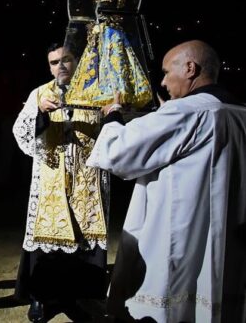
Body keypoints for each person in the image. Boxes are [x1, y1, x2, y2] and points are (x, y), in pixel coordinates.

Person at [87, 40, 246, 323]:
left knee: (171, 302)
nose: (162, 81)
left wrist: (112, 116)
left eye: (165, 72)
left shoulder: (188, 111)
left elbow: (119, 151)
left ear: (189, 68)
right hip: (230, 233)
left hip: (180, 233)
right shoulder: (237, 111)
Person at [13, 42, 109, 322]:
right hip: (50, 178)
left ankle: (82, 298)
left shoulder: (97, 91)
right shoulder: (40, 93)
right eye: (54, 62)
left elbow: (114, 127)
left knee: (83, 236)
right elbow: (21, 133)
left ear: (77, 60)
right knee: (47, 238)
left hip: (86, 178)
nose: (61, 66)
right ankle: (41, 298)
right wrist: (40, 113)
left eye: (66, 59)